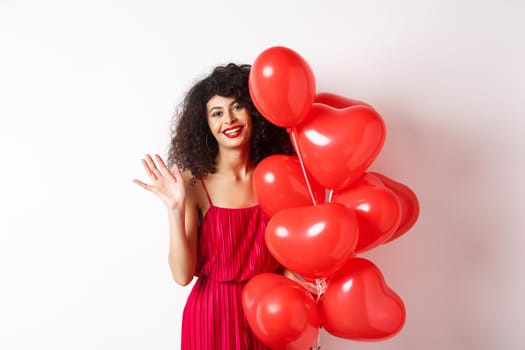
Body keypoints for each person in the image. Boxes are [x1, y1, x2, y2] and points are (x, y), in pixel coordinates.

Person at [133, 63, 298, 349]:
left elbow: (289, 254)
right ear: (206, 124)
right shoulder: (193, 183)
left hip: (268, 312)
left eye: (237, 107)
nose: (229, 120)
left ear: (255, 112)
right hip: (212, 318)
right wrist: (174, 208)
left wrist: (292, 281)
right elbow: (182, 275)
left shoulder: (279, 176)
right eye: (217, 113)